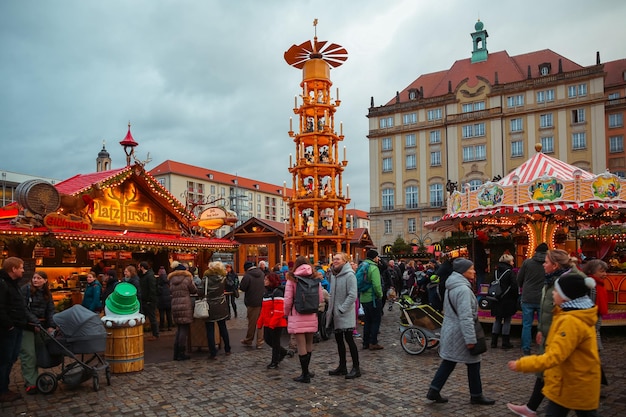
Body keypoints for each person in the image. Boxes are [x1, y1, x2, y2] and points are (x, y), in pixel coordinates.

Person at [507, 271, 600, 416]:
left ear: (565, 297)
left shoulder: (570, 321)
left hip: (574, 384)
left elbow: (555, 356)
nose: (553, 294)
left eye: (556, 291)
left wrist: (523, 364)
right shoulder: (570, 314)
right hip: (568, 383)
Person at [507, 249, 580, 417]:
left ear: (555, 265)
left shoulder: (570, 281)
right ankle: (532, 407)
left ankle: (533, 407)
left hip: (560, 333)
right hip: (550, 329)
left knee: (554, 372)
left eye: (546, 263)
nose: (543, 265)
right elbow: (547, 308)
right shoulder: (551, 279)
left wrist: (523, 364)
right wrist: (541, 328)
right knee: (547, 374)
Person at [426, 257, 495, 406]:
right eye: (471, 269)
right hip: (461, 332)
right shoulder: (463, 289)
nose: (474, 271)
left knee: (449, 362)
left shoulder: (453, 285)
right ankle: (476, 395)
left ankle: (434, 390)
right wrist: (470, 339)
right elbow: (466, 317)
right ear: (463, 271)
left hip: (452, 330)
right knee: (473, 362)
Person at [284, 256, 323, 383]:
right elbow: (321, 298)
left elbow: (288, 300)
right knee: (309, 343)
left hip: (297, 313)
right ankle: (307, 371)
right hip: (311, 313)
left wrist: (286, 313)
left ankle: (304, 373)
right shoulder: (315, 278)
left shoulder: (292, 279)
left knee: (301, 344)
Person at [19, 271, 56, 395]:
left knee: (40, 352)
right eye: (34, 278)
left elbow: (50, 309)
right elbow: (23, 309)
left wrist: (51, 325)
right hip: (27, 326)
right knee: (29, 354)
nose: (35, 280)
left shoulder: (47, 293)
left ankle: (35, 378)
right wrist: (35, 322)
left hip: (41, 326)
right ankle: (31, 383)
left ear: (45, 280)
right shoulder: (26, 290)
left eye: (39, 278)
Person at [326, 252, 360, 379]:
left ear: (345, 261)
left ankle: (356, 368)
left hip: (344, 314)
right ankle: (342, 366)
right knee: (339, 340)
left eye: (338, 259)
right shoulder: (334, 275)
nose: (335, 261)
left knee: (349, 340)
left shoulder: (350, 275)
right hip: (336, 314)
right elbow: (332, 293)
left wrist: (341, 309)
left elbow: (352, 295)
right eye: (334, 259)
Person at [0, 257, 27, 403]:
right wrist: (9, 325)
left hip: (16, 326)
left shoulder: (13, 283)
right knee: (5, 360)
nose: (23, 270)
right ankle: (2, 390)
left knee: (11, 359)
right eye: (21, 267)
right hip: (8, 329)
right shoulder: (3, 284)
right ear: (13, 269)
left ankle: (5, 388)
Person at [517, 242, 549, 355]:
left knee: (526, 324)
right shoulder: (548, 264)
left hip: (528, 296)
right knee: (543, 324)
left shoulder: (527, 263)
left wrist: (523, 287)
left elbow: (519, 278)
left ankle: (526, 348)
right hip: (542, 297)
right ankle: (542, 347)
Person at [582, 259, 609, 389]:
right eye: (602, 271)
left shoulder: (599, 284)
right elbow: (591, 308)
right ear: (592, 272)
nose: (605, 274)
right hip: (591, 326)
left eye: (605, 271)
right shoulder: (592, 286)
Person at [257, 272, 289, 369]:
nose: (264, 281)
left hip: (277, 323)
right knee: (268, 340)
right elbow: (263, 309)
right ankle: (283, 352)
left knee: (275, 342)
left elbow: (278, 311)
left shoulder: (277, 292)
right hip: (268, 321)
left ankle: (275, 361)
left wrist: (272, 324)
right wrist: (260, 321)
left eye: (266, 279)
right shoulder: (266, 293)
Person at [202, 261, 231, 359]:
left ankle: (212, 352)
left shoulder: (206, 278)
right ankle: (227, 349)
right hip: (221, 304)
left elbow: (200, 291)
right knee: (223, 327)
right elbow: (230, 286)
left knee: (210, 330)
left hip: (209, 306)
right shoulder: (223, 278)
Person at [168, 262, 197, 361]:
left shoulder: (171, 280)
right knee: (184, 329)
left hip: (175, 305)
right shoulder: (187, 279)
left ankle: (176, 353)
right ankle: (181, 352)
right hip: (185, 305)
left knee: (179, 328)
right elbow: (193, 290)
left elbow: (170, 291)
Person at [490, 253, 518, 349]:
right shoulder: (510, 272)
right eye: (512, 261)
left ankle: (494, 341)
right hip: (507, 299)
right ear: (509, 262)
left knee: (497, 319)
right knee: (507, 320)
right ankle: (505, 342)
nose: (513, 262)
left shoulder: (495, 272)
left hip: (496, 299)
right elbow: (514, 286)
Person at [360, 249, 384, 351]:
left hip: (363, 298)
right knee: (375, 321)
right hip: (373, 298)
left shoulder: (362, 266)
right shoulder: (373, 268)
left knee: (367, 321)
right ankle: (373, 342)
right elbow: (376, 284)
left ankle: (365, 342)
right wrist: (380, 295)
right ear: (374, 257)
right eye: (377, 257)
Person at [239, 261, 265, 348]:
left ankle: (249, 339)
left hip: (252, 301)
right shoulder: (261, 273)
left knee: (252, 323)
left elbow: (242, 287)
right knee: (260, 323)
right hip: (262, 300)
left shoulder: (247, 276)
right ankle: (260, 341)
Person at [138, 261, 159, 341]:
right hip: (144, 300)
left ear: (142, 267)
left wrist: (150, 300)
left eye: (139, 267)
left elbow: (152, 289)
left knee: (152, 318)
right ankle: (141, 333)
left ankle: (155, 334)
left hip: (149, 301)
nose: (138, 269)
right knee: (143, 318)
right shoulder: (143, 276)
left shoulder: (149, 276)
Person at [157, 266, 173, 332]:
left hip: (161, 299)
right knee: (169, 313)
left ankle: (162, 327)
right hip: (168, 299)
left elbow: (158, 291)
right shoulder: (168, 280)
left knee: (162, 314)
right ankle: (170, 326)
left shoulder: (158, 281)